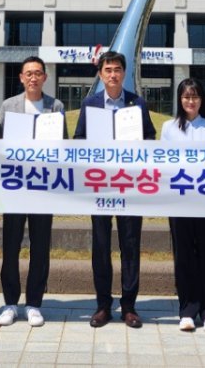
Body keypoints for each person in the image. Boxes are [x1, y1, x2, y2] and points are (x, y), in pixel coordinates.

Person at [72, 51, 157, 329]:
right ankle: (103, 305)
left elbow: (150, 136)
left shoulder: (137, 103)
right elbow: (79, 138)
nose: (112, 74)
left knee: (130, 245)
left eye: (117, 69)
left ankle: (129, 306)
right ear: (100, 74)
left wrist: (136, 145)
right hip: (100, 186)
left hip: (129, 185)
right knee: (101, 246)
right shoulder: (90, 104)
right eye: (107, 70)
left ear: (124, 73)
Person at [0, 56, 66, 328]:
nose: (33, 78)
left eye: (38, 73)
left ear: (45, 77)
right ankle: (10, 303)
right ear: (21, 78)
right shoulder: (8, 106)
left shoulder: (55, 106)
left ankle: (34, 303)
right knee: (10, 246)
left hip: (43, 187)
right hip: (15, 187)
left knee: (40, 246)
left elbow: (63, 145)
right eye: (28, 74)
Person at [160, 77, 205, 333]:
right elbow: (162, 163)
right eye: (186, 96)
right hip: (179, 201)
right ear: (179, 99)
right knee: (184, 256)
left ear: (202, 100)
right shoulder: (168, 128)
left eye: (195, 96)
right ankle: (187, 309)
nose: (191, 101)